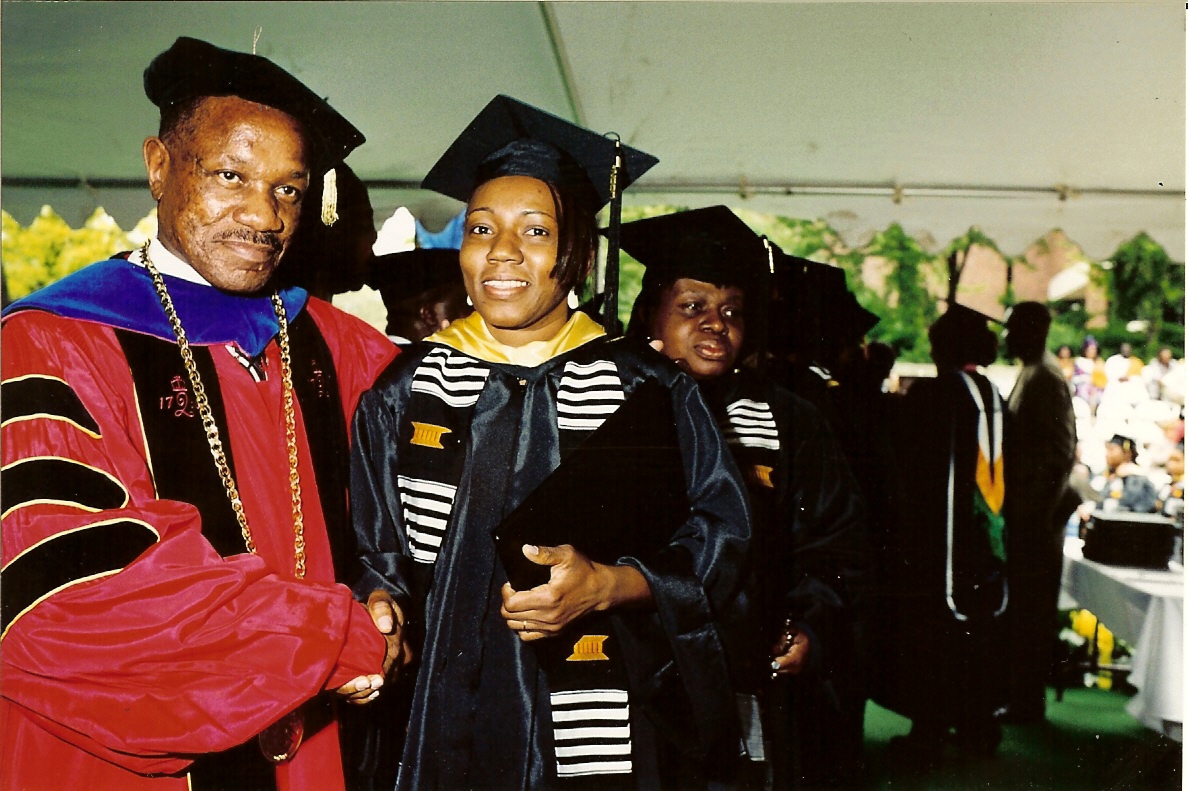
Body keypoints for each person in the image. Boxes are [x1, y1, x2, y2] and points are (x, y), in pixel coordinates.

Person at [0, 38, 405, 791]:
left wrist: (392, 598)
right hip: (134, 762)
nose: (263, 215)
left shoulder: (333, 341)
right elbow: (68, 599)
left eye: (289, 189)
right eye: (230, 175)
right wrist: (335, 635)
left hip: (318, 744)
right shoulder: (52, 341)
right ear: (158, 167)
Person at [348, 96, 751, 791]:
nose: (502, 252)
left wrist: (612, 584)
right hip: (440, 711)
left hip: (603, 711)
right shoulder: (403, 389)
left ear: (577, 251)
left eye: (535, 230)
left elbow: (725, 539)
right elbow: (373, 550)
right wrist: (377, 603)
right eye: (481, 228)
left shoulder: (647, 389)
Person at [620, 206, 867, 790]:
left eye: (731, 310)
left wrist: (809, 623)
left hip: (743, 671)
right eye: (692, 306)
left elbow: (837, 544)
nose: (715, 324)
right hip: (629, 674)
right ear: (650, 312)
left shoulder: (789, 421)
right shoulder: (598, 400)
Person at [876, 304, 1010, 766]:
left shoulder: (937, 394)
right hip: (982, 536)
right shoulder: (992, 391)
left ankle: (928, 732)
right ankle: (978, 727)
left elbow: (905, 462)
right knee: (977, 631)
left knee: (934, 634)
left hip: (938, 536)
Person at [1000, 302, 1076, 723]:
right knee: (1023, 613)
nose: (1006, 336)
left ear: (1034, 331)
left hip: (1037, 520)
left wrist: (1039, 515)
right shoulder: (1033, 372)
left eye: (1013, 328)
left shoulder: (1045, 377)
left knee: (1030, 614)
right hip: (1027, 515)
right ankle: (1020, 698)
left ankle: (1027, 703)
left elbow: (1062, 452)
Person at [369, 247, 472, 344]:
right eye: (465, 303)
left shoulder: (378, 358)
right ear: (430, 314)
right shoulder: (423, 361)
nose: (474, 312)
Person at [1076, 434, 1159, 521]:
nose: (1107, 454)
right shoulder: (1105, 475)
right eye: (1107, 449)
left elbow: (1132, 507)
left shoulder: (1137, 478)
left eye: (1112, 450)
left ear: (1127, 454)